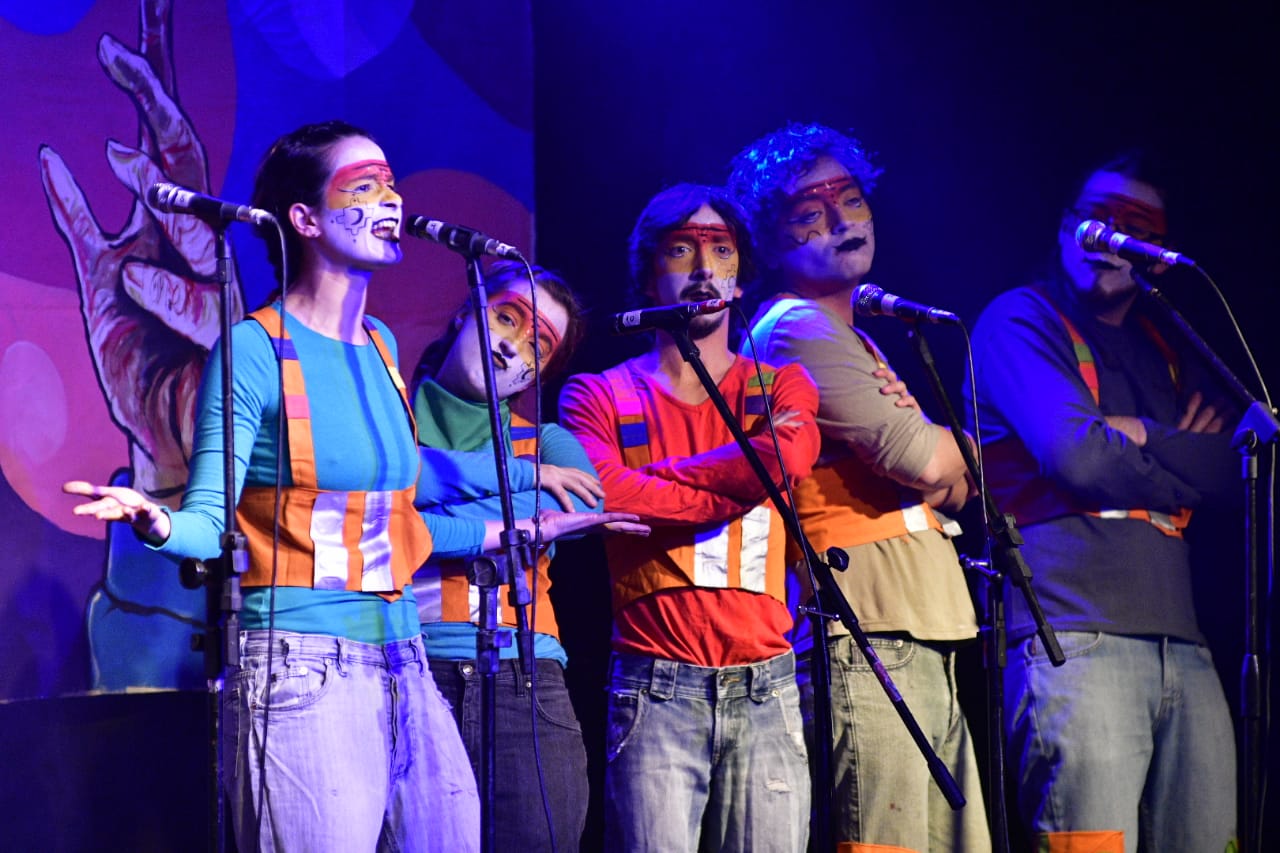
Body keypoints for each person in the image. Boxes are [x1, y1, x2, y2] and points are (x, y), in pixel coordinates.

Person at [62, 120, 640, 852]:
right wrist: (158, 521)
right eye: (363, 187)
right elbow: (212, 519)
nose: (391, 201)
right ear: (303, 220)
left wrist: (516, 530)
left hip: (406, 659)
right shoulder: (255, 348)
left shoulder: (381, 348)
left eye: (391, 183)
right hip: (301, 664)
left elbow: (404, 522)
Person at [728, 122, 990, 852]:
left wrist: (950, 461)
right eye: (810, 214)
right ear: (773, 240)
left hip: (919, 618)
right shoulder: (796, 328)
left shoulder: (853, 332)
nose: (841, 222)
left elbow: (956, 481)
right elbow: (923, 460)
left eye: (850, 199)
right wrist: (951, 456)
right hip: (866, 627)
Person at [967, 151, 1238, 852]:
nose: (1107, 233)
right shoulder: (1019, 319)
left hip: (1185, 643)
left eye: (1132, 225)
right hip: (1074, 637)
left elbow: (1235, 471)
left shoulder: (1169, 346)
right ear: (1065, 228)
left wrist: (1143, 435)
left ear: (1153, 252)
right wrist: (1178, 457)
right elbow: (1077, 455)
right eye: (1095, 215)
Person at [559, 183, 821, 852]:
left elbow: (784, 459)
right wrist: (736, 484)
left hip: (768, 685)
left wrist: (648, 487)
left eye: (722, 252)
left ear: (741, 276)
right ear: (649, 269)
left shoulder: (782, 384)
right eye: (683, 250)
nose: (705, 270)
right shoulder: (597, 393)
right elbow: (603, 494)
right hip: (655, 687)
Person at [410, 261, 600, 852]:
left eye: (536, 345)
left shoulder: (548, 444)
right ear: (467, 311)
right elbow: (375, 515)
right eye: (507, 318)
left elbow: (580, 515)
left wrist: (418, 511)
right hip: (406, 672)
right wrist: (518, 507)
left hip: (526, 682)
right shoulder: (384, 429)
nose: (509, 347)